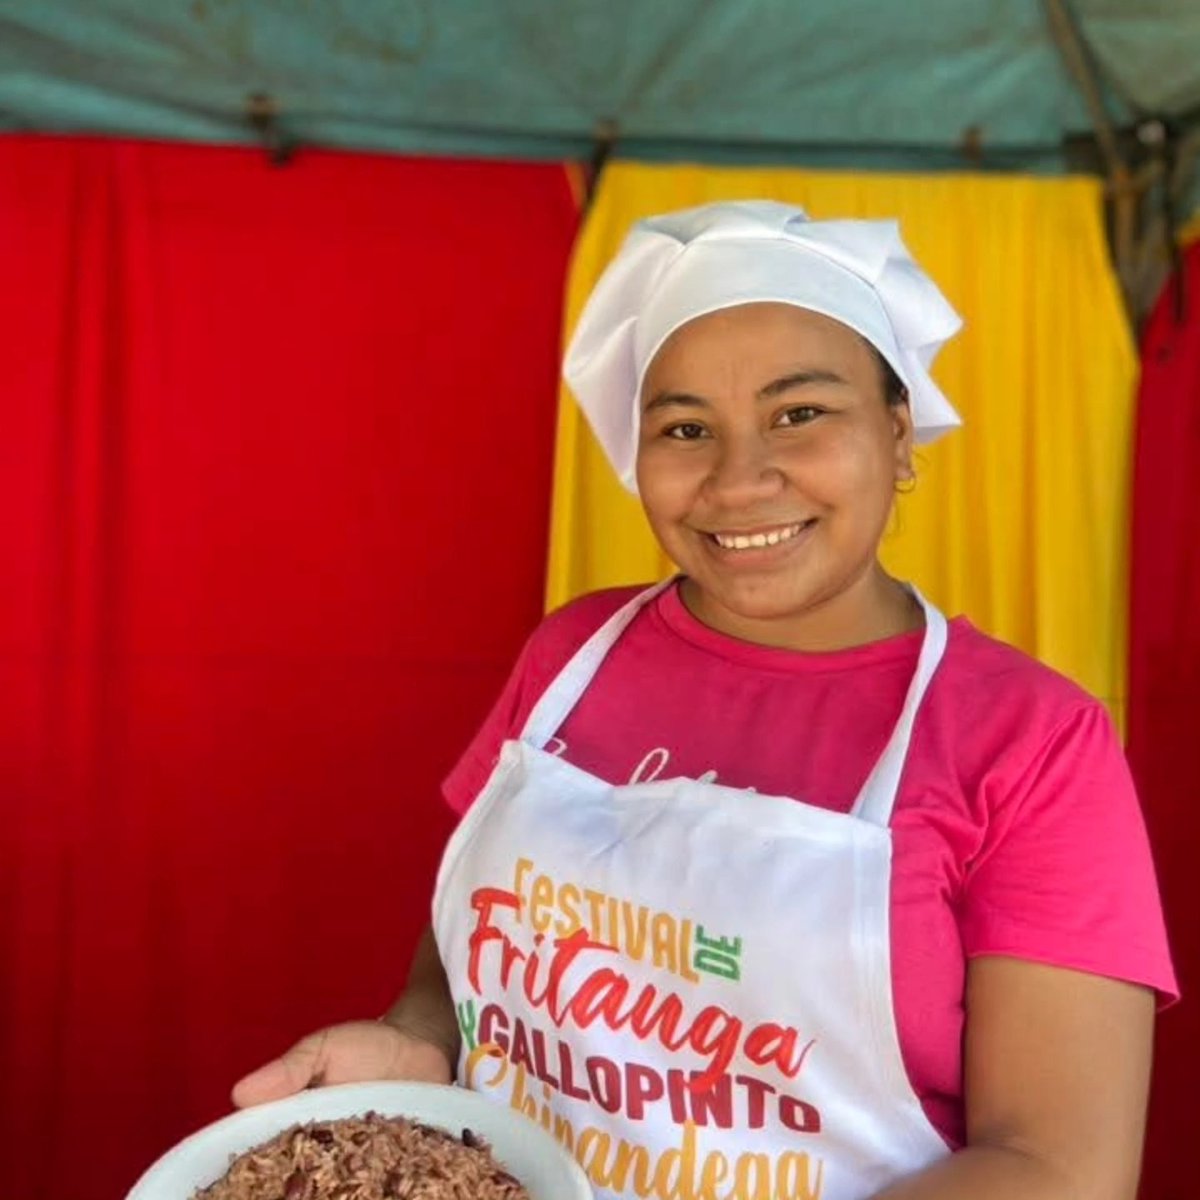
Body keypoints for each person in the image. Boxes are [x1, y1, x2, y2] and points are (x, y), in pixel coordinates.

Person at [232, 201, 1177, 1200]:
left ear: (899, 435)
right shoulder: (573, 654)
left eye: (799, 413)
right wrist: (419, 1041)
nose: (739, 478)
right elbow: (477, 925)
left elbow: (1059, 1167)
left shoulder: (1029, 741)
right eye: (687, 429)